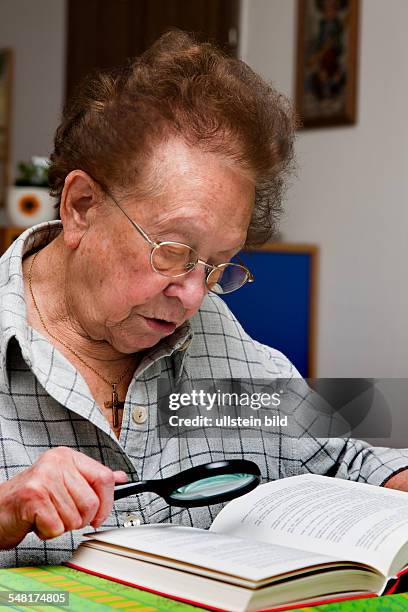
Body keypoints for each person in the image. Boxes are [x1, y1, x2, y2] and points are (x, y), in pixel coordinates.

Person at [0, 30, 407, 567]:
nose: (192, 295)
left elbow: (349, 464)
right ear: (81, 206)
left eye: (217, 265)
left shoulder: (226, 342)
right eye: (172, 250)